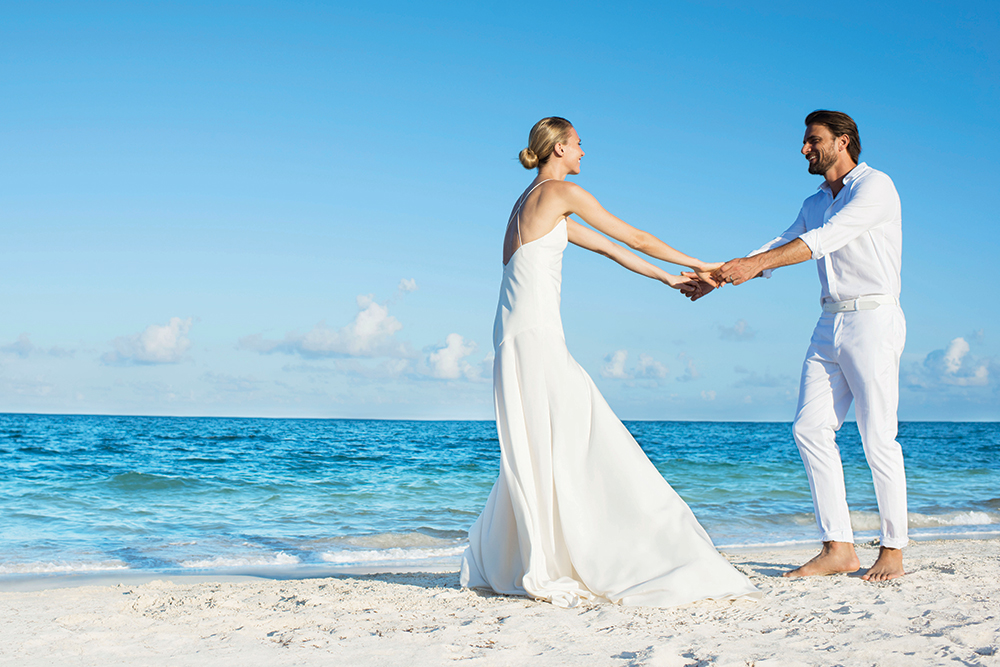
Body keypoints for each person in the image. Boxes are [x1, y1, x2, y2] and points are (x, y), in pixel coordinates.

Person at [459, 117, 759, 607]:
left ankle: (548, 551)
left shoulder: (528, 203)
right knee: (583, 433)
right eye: (578, 144)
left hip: (513, 337)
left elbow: (613, 250)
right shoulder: (559, 194)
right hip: (534, 337)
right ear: (557, 148)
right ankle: (619, 547)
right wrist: (707, 266)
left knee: (548, 443)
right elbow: (635, 236)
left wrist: (668, 279)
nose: (583, 152)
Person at [695, 110, 907, 581]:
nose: (805, 149)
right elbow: (784, 241)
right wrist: (721, 278)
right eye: (806, 141)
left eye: (814, 140)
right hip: (828, 320)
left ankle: (892, 549)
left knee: (878, 438)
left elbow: (825, 240)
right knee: (810, 429)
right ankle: (839, 548)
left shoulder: (876, 187)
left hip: (873, 317)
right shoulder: (815, 200)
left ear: (843, 141)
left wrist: (752, 266)